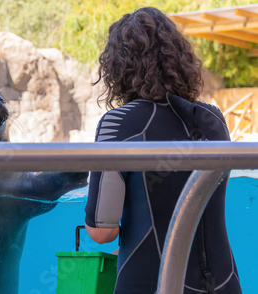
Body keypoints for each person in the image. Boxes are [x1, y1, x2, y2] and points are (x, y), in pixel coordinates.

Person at [84, 7, 241, 294]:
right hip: (225, 282)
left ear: (118, 66)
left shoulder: (119, 124)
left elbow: (102, 232)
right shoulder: (213, 119)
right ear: (180, 59)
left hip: (152, 284)